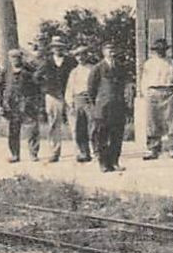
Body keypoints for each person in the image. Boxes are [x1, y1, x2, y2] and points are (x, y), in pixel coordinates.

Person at [86, 40, 132, 172]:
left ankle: (115, 162)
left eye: (113, 50)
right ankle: (103, 163)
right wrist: (97, 104)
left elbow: (125, 86)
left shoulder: (121, 67)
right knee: (102, 136)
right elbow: (91, 89)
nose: (112, 52)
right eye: (109, 50)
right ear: (103, 52)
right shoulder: (97, 68)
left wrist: (125, 104)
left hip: (118, 106)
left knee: (116, 135)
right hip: (103, 108)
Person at [139, 37, 173, 160]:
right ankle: (153, 149)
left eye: (162, 49)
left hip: (169, 92)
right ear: (154, 51)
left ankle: (172, 147)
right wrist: (147, 94)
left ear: (166, 50)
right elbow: (144, 81)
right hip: (153, 92)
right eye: (157, 49)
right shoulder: (149, 64)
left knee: (172, 121)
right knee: (152, 122)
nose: (160, 51)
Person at [36, 36, 76, 164]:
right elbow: (36, 77)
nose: (58, 49)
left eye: (60, 47)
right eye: (55, 47)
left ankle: (80, 151)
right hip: (53, 96)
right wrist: (46, 88)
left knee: (75, 123)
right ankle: (54, 152)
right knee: (54, 124)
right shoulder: (47, 62)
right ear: (52, 48)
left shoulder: (71, 61)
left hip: (69, 95)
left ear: (63, 48)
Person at [0, 48, 44, 163]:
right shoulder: (6, 72)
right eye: (12, 58)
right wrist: (0, 104)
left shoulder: (29, 71)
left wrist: (37, 102)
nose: (15, 60)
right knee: (13, 130)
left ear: (21, 58)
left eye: (17, 58)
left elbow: (38, 86)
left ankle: (33, 153)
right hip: (11, 105)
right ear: (9, 59)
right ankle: (15, 154)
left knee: (32, 129)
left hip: (27, 104)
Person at [65, 45, 97, 163]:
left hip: (90, 99)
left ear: (87, 55)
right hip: (78, 100)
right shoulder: (74, 72)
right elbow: (69, 88)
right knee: (80, 127)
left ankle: (97, 152)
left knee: (93, 127)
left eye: (82, 55)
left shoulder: (93, 69)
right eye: (77, 55)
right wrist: (71, 103)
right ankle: (84, 152)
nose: (80, 58)